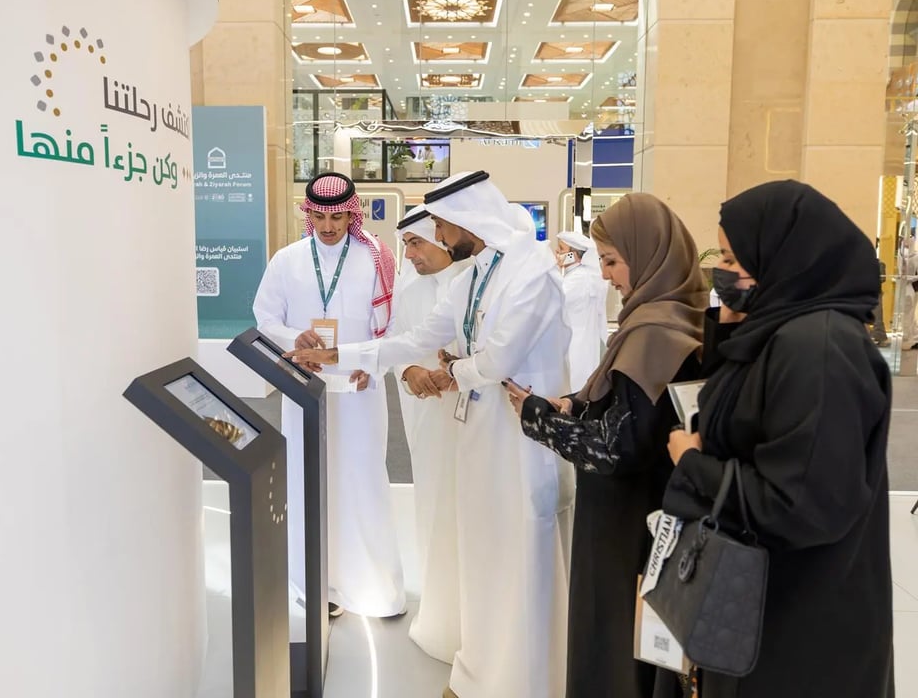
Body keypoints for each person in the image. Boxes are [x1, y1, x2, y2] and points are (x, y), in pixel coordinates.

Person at [289, 170, 573, 698]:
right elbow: (417, 337)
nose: (439, 237)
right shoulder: (475, 274)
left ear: (469, 218)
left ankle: (522, 681)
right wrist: (338, 355)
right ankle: (481, 671)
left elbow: (500, 358)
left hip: (523, 437)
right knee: (482, 551)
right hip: (479, 432)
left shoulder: (530, 270)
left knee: (518, 555)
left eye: (442, 226)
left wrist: (452, 372)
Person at [663, 180, 894, 697]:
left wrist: (694, 464)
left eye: (732, 258)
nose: (723, 272)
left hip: (800, 628)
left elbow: (802, 504)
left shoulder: (819, 349)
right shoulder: (780, 333)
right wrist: (730, 326)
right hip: (761, 605)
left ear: (784, 257)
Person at [506, 193, 705, 698]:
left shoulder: (653, 333)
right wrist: (574, 403)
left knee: (615, 646)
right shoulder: (674, 316)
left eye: (613, 261)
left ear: (648, 253)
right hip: (650, 515)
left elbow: (616, 449)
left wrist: (538, 418)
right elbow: (634, 408)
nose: (605, 275)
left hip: (627, 526)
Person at [252, 172, 406, 618]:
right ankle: (315, 583)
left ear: (351, 214)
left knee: (361, 476)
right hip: (304, 387)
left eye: (337, 217)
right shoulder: (287, 260)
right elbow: (265, 319)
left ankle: (371, 583)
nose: (328, 226)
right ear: (308, 214)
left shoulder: (376, 258)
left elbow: (395, 326)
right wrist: (294, 338)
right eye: (319, 217)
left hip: (359, 390)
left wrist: (372, 364)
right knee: (307, 477)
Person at [390, 206, 470, 662]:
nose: (411, 255)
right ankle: (440, 617)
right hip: (426, 417)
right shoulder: (408, 290)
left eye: (417, 243)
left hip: (473, 418)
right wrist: (410, 371)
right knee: (434, 506)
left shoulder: (473, 282)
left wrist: (456, 373)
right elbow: (397, 344)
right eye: (407, 246)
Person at [556, 230, 610, 390]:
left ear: (573, 255)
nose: (557, 252)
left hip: (576, 345)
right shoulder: (577, 275)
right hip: (578, 342)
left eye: (561, 249)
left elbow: (555, 304)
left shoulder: (578, 278)